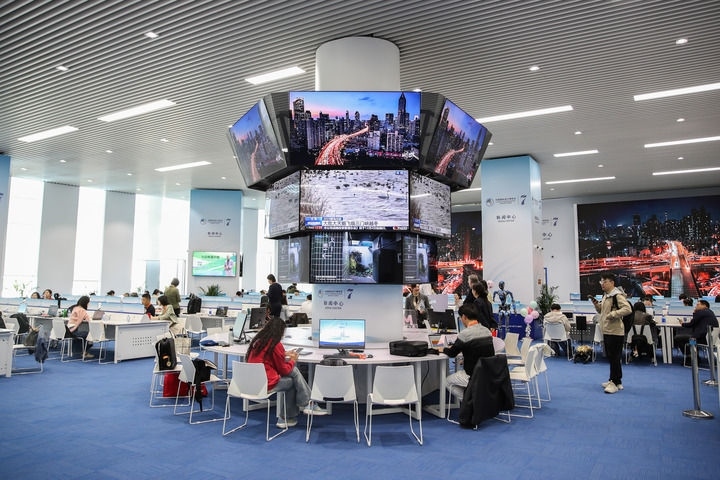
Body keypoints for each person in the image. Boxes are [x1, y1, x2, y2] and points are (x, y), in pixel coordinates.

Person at [246, 316, 326, 428]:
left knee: (292, 379)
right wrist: (293, 360)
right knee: (293, 377)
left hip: (250, 383)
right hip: (265, 384)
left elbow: (267, 356)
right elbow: (284, 370)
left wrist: (283, 354)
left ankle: (289, 417)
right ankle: (304, 406)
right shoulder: (275, 344)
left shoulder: (258, 342)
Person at [590, 272, 632, 394]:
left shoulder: (617, 295)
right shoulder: (606, 295)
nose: (602, 284)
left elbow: (627, 309)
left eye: (605, 281)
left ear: (612, 282)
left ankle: (614, 383)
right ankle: (616, 381)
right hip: (608, 330)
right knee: (613, 357)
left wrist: (613, 314)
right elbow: (602, 311)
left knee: (614, 357)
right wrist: (596, 304)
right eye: (601, 281)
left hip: (615, 331)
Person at [439, 303, 493, 393]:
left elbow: (452, 353)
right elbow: (481, 350)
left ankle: (467, 401)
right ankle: (473, 399)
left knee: (447, 381)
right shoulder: (487, 331)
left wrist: (443, 349)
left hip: (472, 375)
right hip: (489, 373)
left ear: (464, 317)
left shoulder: (465, 334)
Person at [67, 295, 94, 359]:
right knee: (89, 335)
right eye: (88, 303)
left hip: (69, 329)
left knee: (84, 334)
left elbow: (80, 317)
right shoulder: (82, 310)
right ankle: (84, 352)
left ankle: (79, 350)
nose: (88, 304)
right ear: (85, 303)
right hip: (73, 330)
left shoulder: (75, 308)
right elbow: (88, 319)